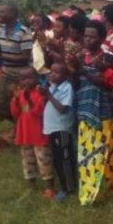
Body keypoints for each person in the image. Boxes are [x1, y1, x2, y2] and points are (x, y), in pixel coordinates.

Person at [73, 20, 113, 206]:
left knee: (106, 155)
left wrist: (82, 70)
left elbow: (108, 84)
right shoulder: (80, 57)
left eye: (92, 36)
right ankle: (88, 191)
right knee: (86, 154)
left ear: (101, 38)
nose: (87, 39)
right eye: (86, 36)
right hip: (85, 109)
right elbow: (76, 84)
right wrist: (74, 70)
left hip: (104, 111)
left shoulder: (107, 58)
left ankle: (107, 193)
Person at [10, 68, 55, 198]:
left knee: (44, 159)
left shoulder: (40, 93)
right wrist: (15, 99)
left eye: (29, 78)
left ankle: (49, 186)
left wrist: (29, 100)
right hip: (25, 132)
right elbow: (15, 113)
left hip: (38, 132)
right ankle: (31, 183)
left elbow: (39, 112)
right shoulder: (20, 94)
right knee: (27, 159)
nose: (26, 81)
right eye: (23, 79)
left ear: (36, 78)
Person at [0, 3, 34, 121]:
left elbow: (25, 57)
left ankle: (20, 126)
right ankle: (18, 123)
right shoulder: (0, 30)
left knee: (21, 105)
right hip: (6, 73)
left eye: (2, 12)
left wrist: (2, 56)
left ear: (13, 14)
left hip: (22, 75)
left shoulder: (24, 31)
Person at [41, 62, 77, 197]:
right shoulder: (53, 86)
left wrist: (49, 95)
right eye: (52, 71)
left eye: (57, 72)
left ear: (66, 76)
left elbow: (62, 109)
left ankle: (69, 188)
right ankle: (63, 186)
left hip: (62, 129)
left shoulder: (67, 88)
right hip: (52, 129)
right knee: (57, 159)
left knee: (64, 159)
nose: (52, 74)